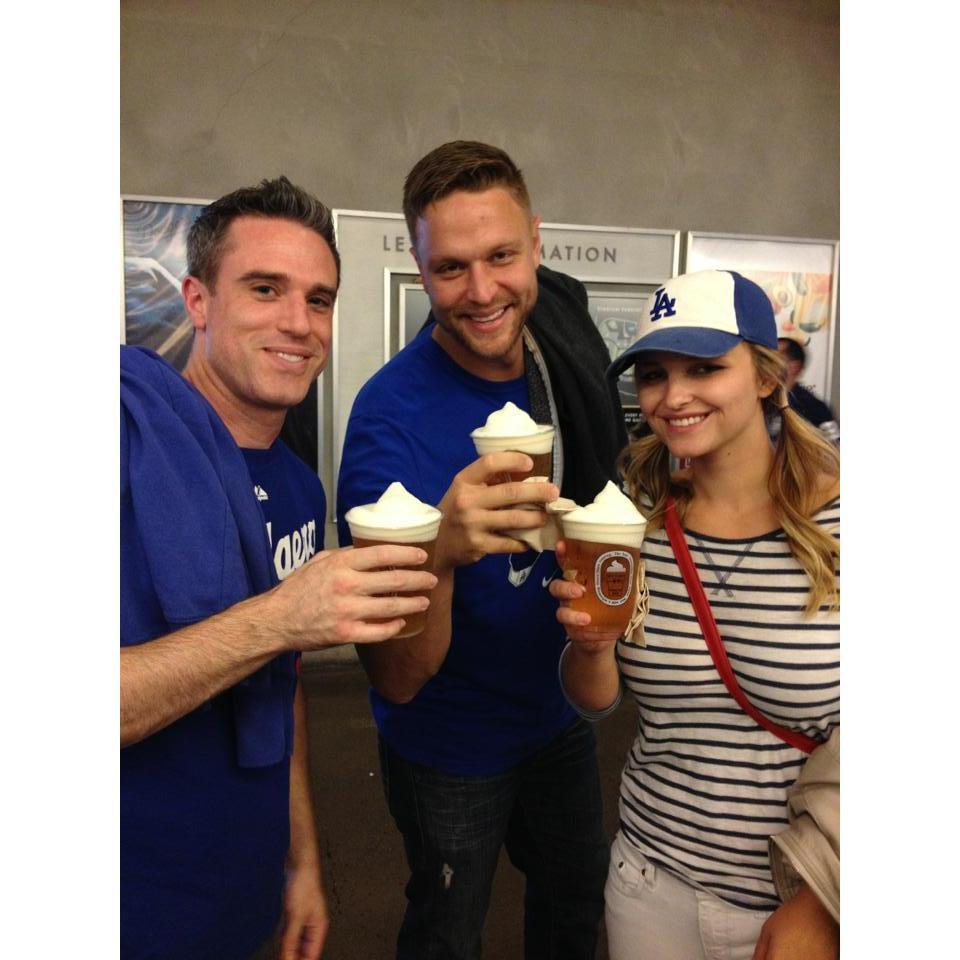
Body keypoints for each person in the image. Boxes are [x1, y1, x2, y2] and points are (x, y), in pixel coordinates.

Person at [120, 176, 438, 960]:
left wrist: (301, 864)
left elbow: (282, 682)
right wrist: (281, 615)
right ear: (198, 301)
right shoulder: (119, 447)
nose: (299, 323)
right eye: (265, 289)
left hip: (238, 887)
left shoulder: (298, 483)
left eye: (320, 299)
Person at [336, 141, 625, 959]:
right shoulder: (387, 417)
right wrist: (443, 549)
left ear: (537, 242)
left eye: (501, 255)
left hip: (559, 713)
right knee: (446, 930)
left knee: (575, 906)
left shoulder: (558, 350)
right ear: (420, 272)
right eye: (451, 268)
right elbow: (393, 675)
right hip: (449, 741)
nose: (483, 290)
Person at [552, 269, 840, 960]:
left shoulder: (848, 520)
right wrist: (589, 648)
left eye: (705, 368)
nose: (674, 397)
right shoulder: (634, 525)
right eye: (654, 374)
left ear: (766, 376)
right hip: (651, 884)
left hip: (802, 899)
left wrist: (824, 902)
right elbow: (597, 703)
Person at [774, 332, 839, 445]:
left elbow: (834, 451)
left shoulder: (816, 409)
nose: (766, 364)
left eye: (775, 358)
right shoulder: (759, 401)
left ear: (795, 367)